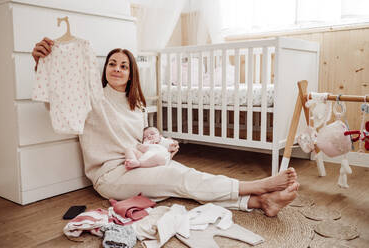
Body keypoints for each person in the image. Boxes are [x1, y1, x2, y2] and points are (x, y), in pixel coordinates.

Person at [32, 37, 299, 217]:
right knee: (179, 180)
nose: (117, 68)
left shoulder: (136, 105)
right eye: (112, 64)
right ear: (105, 70)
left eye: (124, 65)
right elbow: (58, 101)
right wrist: (40, 62)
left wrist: (162, 144)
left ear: (130, 73)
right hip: (110, 177)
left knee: (188, 178)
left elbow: (142, 142)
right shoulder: (92, 99)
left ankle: (258, 202)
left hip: (138, 165)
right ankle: (255, 186)